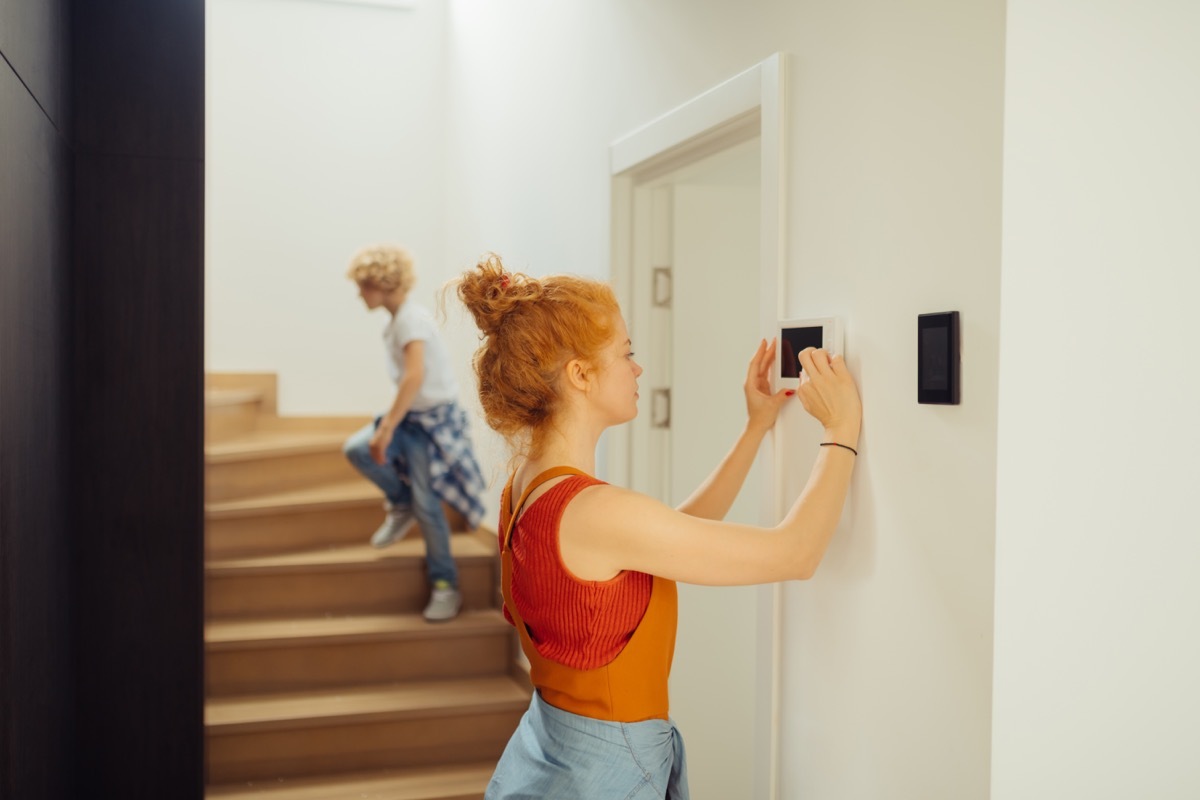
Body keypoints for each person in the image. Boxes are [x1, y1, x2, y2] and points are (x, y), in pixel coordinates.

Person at [454, 254, 862, 798]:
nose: (637, 368)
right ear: (579, 374)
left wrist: (755, 430)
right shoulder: (597, 512)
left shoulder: (526, 488)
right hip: (605, 767)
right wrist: (841, 429)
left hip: (553, 749)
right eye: (626, 353)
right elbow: (797, 553)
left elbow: (670, 536)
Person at [343, 244, 486, 623]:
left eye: (364, 286)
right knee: (357, 449)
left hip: (430, 424)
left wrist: (387, 427)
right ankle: (400, 500)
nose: (360, 294)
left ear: (383, 284)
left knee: (428, 503)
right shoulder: (396, 322)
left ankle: (445, 585)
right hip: (413, 418)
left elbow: (415, 375)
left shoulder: (411, 320)